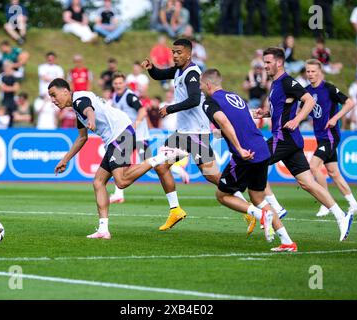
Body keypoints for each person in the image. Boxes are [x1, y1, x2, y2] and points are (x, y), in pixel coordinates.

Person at [48, 78, 187, 239]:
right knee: (98, 182)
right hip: (114, 138)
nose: (53, 100)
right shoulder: (77, 107)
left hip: (120, 134)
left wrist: (91, 119)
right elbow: (82, 138)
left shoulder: (79, 100)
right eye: (50, 96)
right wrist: (65, 159)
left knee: (121, 181)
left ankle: (163, 156)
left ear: (65, 91)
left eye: (54, 94)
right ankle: (103, 229)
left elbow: (89, 110)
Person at [141, 39, 256, 233]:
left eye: (178, 52)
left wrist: (170, 108)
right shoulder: (178, 69)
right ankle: (176, 210)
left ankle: (248, 209)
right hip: (186, 133)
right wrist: (151, 68)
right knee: (201, 174)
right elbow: (160, 74)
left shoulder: (192, 73)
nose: (175, 55)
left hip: (195, 133)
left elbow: (194, 100)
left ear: (188, 54)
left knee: (205, 174)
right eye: (173, 52)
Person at [253, 47, 353, 242]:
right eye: (264, 62)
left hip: (284, 137)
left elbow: (308, 101)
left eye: (268, 62)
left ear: (279, 63)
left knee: (254, 163)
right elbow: (283, 109)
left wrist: (297, 119)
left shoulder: (288, 81)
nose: (264, 66)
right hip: (290, 139)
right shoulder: (275, 84)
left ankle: (277, 208)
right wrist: (265, 114)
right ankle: (342, 216)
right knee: (307, 183)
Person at [201, 68, 297, 252]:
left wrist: (239, 149)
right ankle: (287, 241)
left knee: (222, 195)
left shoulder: (209, 102)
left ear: (208, 84)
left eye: (201, 85)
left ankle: (260, 215)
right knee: (258, 197)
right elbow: (241, 120)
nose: (200, 88)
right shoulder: (234, 96)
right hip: (261, 148)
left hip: (245, 155)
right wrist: (221, 135)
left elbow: (225, 122)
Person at [305, 59, 357, 218]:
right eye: (308, 71)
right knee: (333, 172)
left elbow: (350, 103)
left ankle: (326, 204)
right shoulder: (306, 91)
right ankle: (354, 204)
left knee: (314, 166)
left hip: (330, 136)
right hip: (321, 136)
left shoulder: (329, 88)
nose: (310, 74)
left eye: (313, 71)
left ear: (320, 72)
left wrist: (335, 118)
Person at [109, 72, 151, 203]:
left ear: (125, 83)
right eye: (115, 83)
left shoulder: (129, 96)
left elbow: (143, 111)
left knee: (149, 163)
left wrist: (135, 125)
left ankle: (178, 170)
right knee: (120, 163)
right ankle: (118, 194)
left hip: (139, 135)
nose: (118, 85)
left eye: (120, 83)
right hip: (128, 136)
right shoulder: (115, 97)